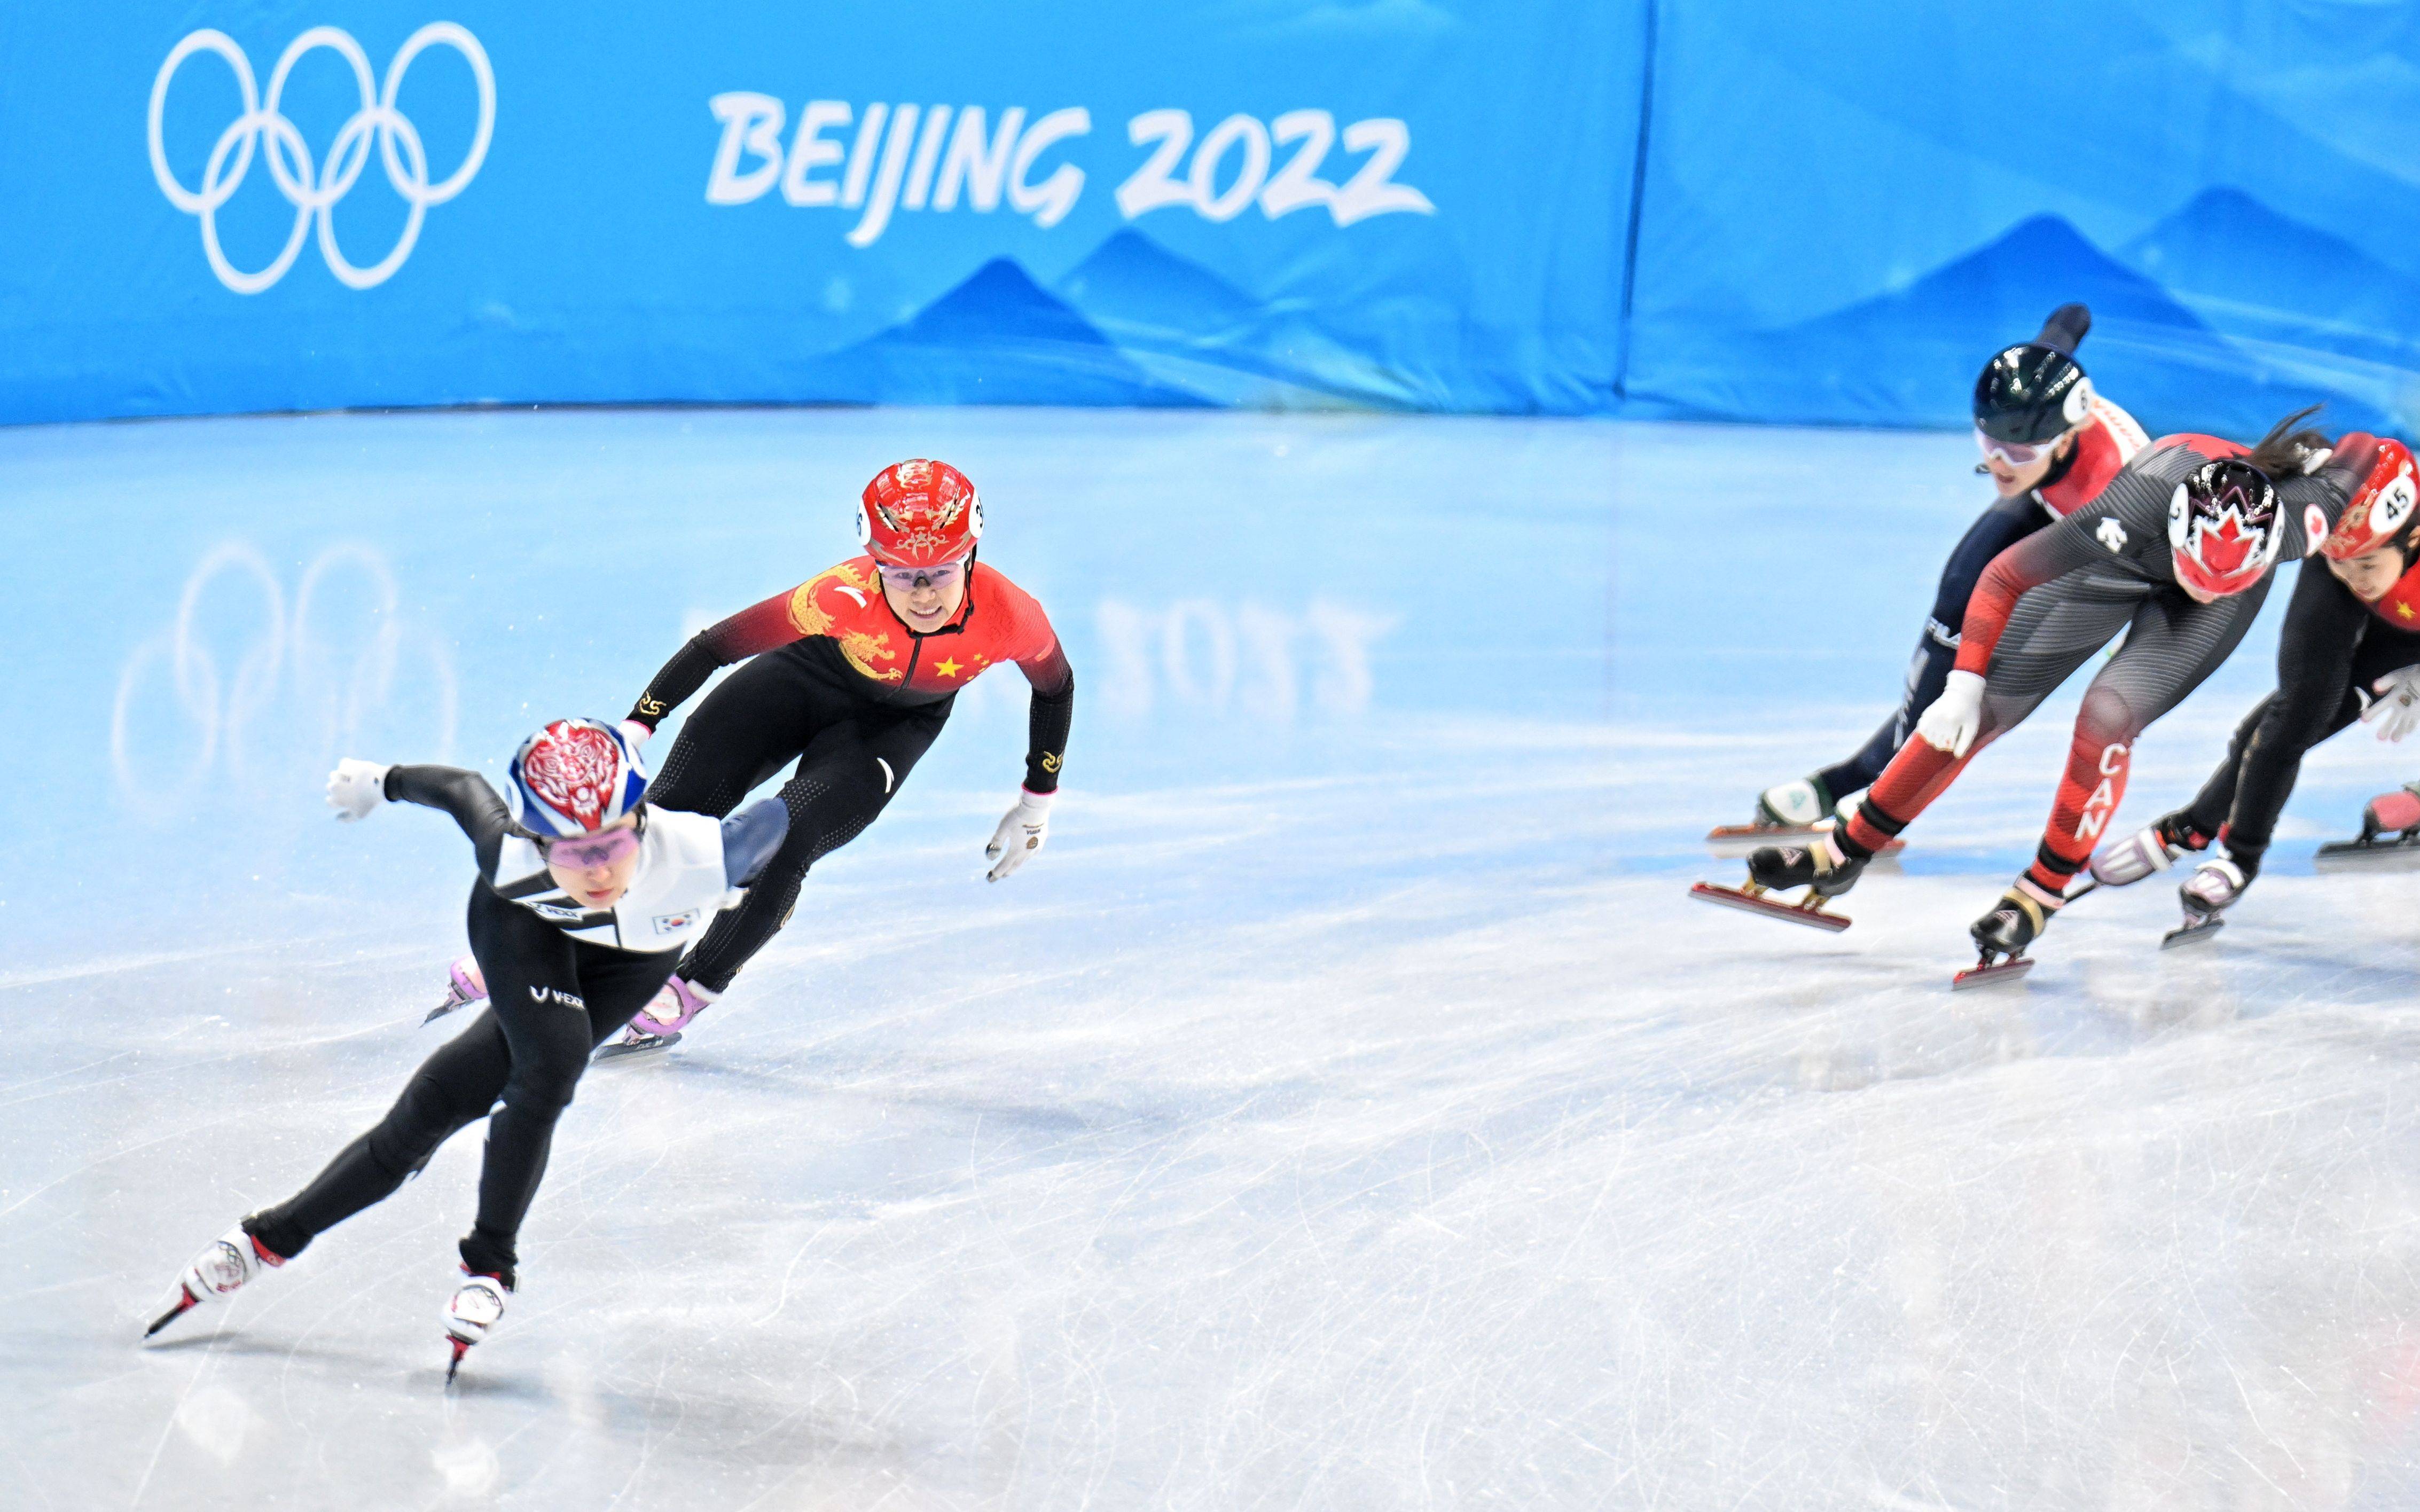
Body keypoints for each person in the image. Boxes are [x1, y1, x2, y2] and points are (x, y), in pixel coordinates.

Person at [148, 719, 789, 1378]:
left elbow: (793, 813)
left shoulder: (710, 854)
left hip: (626, 967)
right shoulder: (509, 856)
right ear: (535, 838)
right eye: (570, 850)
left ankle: (267, 1237)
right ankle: (490, 1263)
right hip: (525, 928)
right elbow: (461, 789)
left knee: (431, 1111)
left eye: (612, 843)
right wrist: (380, 781)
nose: (596, 868)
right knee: (550, 1066)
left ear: (643, 821)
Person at [1734, 410, 2369, 965]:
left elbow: (2371, 449)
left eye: (2224, 577)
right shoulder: (2131, 509)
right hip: (2126, 556)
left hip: (2200, 597)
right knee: (1981, 706)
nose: (2205, 585)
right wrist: (1961, 683)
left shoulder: (2300, 517)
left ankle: (2040, 891)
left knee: (2106, 716)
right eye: (2197, 570)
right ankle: (1846, 850)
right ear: (2178, 529)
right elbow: (2004, 576)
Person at [585, 458, 1072, 1055]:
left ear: (971, 554)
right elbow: (716, 646)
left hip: (893, 729)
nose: (922, 594)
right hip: (803, 679)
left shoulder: (1010, 614)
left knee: (785, 837)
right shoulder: (838, 594)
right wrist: (639, 724)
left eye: (940, 572)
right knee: (666, 817)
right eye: (898, 573)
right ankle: (578, 935)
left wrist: (1035, 802)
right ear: (874, 561)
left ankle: (691, 986)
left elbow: (1055, 686)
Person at [1750, 304, 2147, 832]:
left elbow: (2146, 586)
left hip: (2108, 547)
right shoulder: (2037, 384)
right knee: (1957, 599)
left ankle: (1890, 792)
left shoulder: (2119, 489)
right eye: (1989, 445)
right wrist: (2066, 326)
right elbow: (2065, 325)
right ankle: (1856, 778)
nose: (2000, 465)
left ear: (2069, 437)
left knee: (1999, 675)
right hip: (2050, 500)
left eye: (2018, 453)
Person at [2089, 437, 2420, 924]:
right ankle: (2203, 836)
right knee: (2294, 714)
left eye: (2367, 564)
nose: (2354, 578)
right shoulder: (2334, 546)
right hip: (2386, 614)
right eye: (2338, 560)